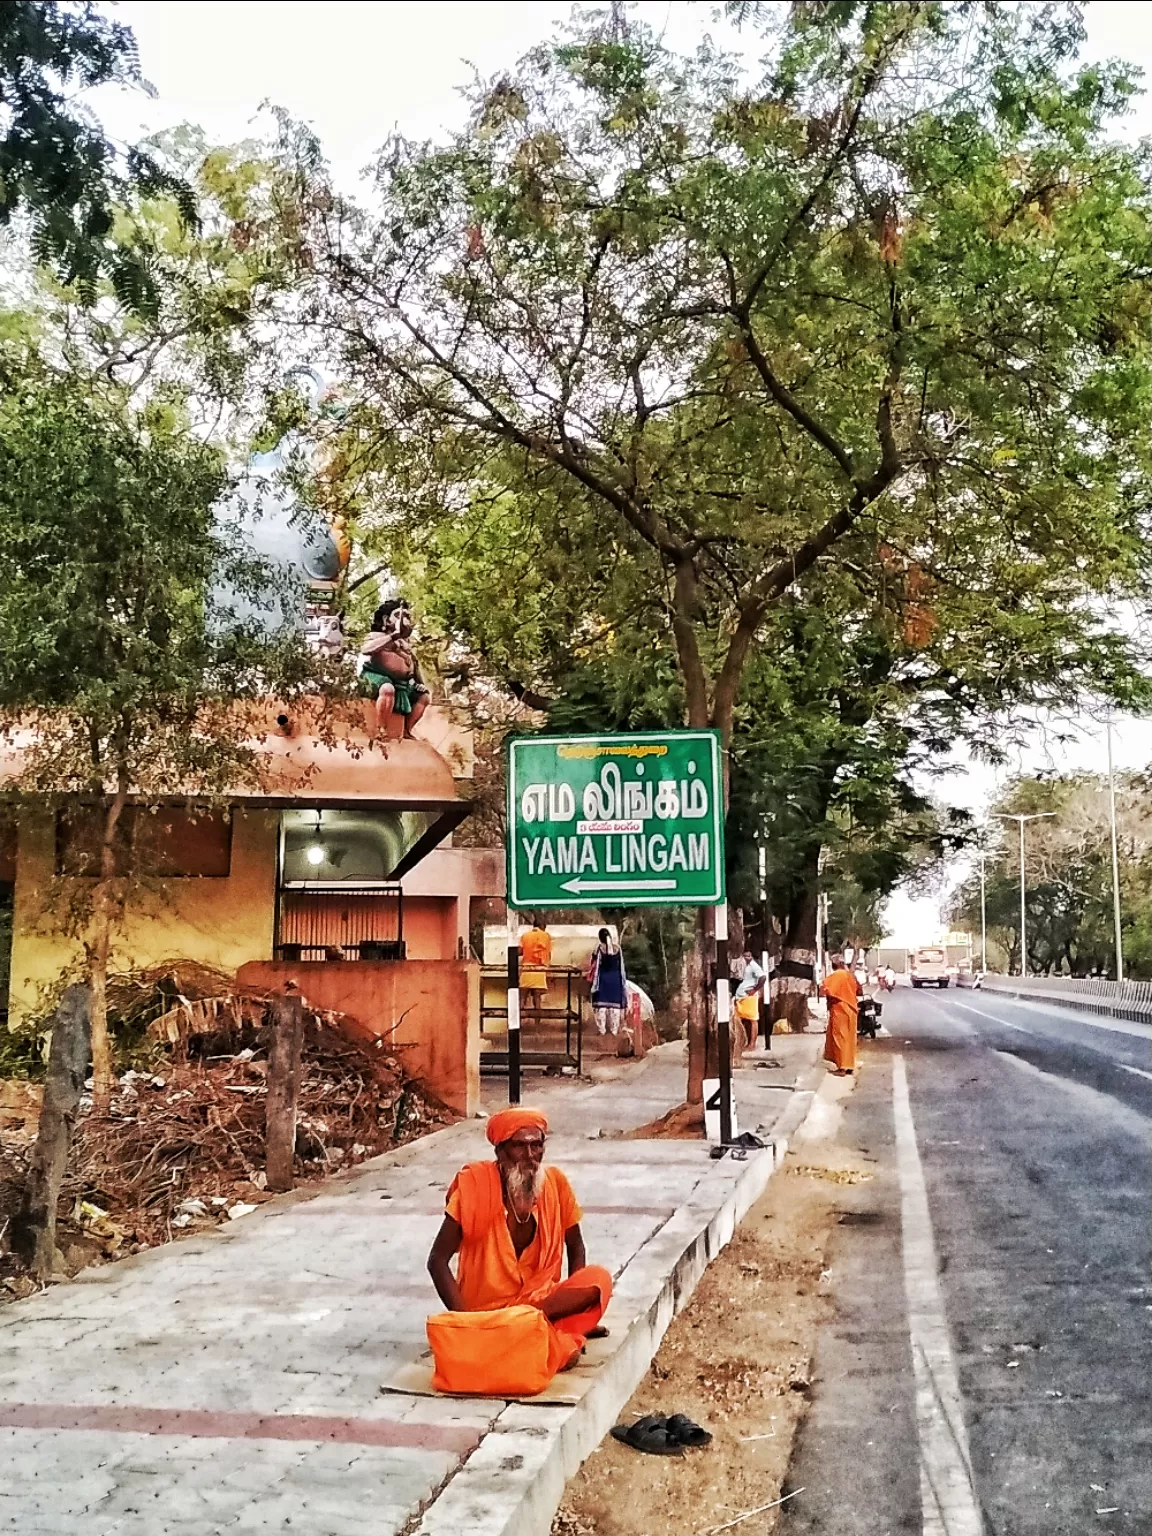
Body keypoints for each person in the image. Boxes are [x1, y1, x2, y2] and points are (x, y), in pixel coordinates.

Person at [425, 1108, 612, 1383]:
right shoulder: (474, 1187)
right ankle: (534, 1331)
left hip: (540, 1302)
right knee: (564, 1355)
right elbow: (437, 1261)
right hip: (488, 1313)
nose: (530, 1156)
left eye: (537, 1145)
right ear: (500, 1151)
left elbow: (576, 1245)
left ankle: (537, 1325)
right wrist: (465, 1324)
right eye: (519, 1146)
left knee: (599, 1280)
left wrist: (572, 1305)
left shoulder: (555, 1184)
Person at [358, 599, 430, 739]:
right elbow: (366, 650)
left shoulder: (406, 643)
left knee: (424, 697)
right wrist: (393, 636)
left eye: (407, 616)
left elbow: (413, 664)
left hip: (402, 683)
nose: (404, 619)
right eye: (398, 615)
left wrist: (420, 683)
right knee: (387, 689)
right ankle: (381, 728)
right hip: (376, 677)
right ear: (386, 619)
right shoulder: (376, 636)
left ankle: (407, 730)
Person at [820, 954, 862, 1076]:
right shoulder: (850, 976)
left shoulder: (835, 976)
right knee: (850, 1038)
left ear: (833, 965)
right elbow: (859, 989)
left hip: (840, 1009)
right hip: (852, 1009)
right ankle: (849, 1065)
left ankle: (842, 1067)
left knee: (839, 1038)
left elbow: (825, 990)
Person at [588, 928, 627, 1040]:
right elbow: (621, 966)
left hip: (603, 979)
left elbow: (594, 963)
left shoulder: (599, 949)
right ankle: (614, 1031)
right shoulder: (617, 949)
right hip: (615, 980)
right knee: (614, 1006)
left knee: (601, 1006)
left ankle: (602, 1030)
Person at [732, 948, 766, 1059]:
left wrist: (755, 989)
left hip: (749, 996)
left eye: (749, 956)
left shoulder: (753, 966)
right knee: (737, 1018)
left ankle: (752, 1044)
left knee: (753, 1019)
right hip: (741, 995)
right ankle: (740, 1042)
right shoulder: (743, 966)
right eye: (745, 956)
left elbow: (763, 977)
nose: (747, 958)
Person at [518, 917, 551, 1030]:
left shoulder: (525, 936)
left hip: (527, 968)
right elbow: (548, 955)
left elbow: (519, 951)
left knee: (522, 998)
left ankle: (518, 1025)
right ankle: (537, 1026)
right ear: (543, 926)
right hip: (539, 970)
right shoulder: (546, 936)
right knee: (537, 999)